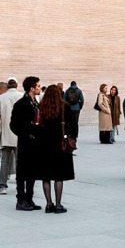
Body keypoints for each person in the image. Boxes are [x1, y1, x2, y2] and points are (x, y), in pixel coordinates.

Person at [37, 83, 75, 212]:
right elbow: (73, 125)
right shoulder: (65, 107)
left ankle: (49, 204)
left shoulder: (42, 107)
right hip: (60, 144)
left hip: (44, 145)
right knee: (59, 176)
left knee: (46, 176)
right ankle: (58, 205)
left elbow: (38, 125)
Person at [9, 77, 42, 210]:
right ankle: (21, 199)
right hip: (25, 142)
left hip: (35, 143)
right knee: (22, 171)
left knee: (32, 171)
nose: (40, 88)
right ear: (32, 88)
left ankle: (29, 198)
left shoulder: (36, 103)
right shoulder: (21, 104)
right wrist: (26, 134)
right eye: (38, 86)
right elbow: (13, 125)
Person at [0, 79, 21, 195]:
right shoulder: (22, 96)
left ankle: (3, 185)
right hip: (20, 134)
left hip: (6, 133)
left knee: (5, 160)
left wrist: (2, 126)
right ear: (17, 85)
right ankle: (21, 185)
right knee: (20, 161)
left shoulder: (0, 98)